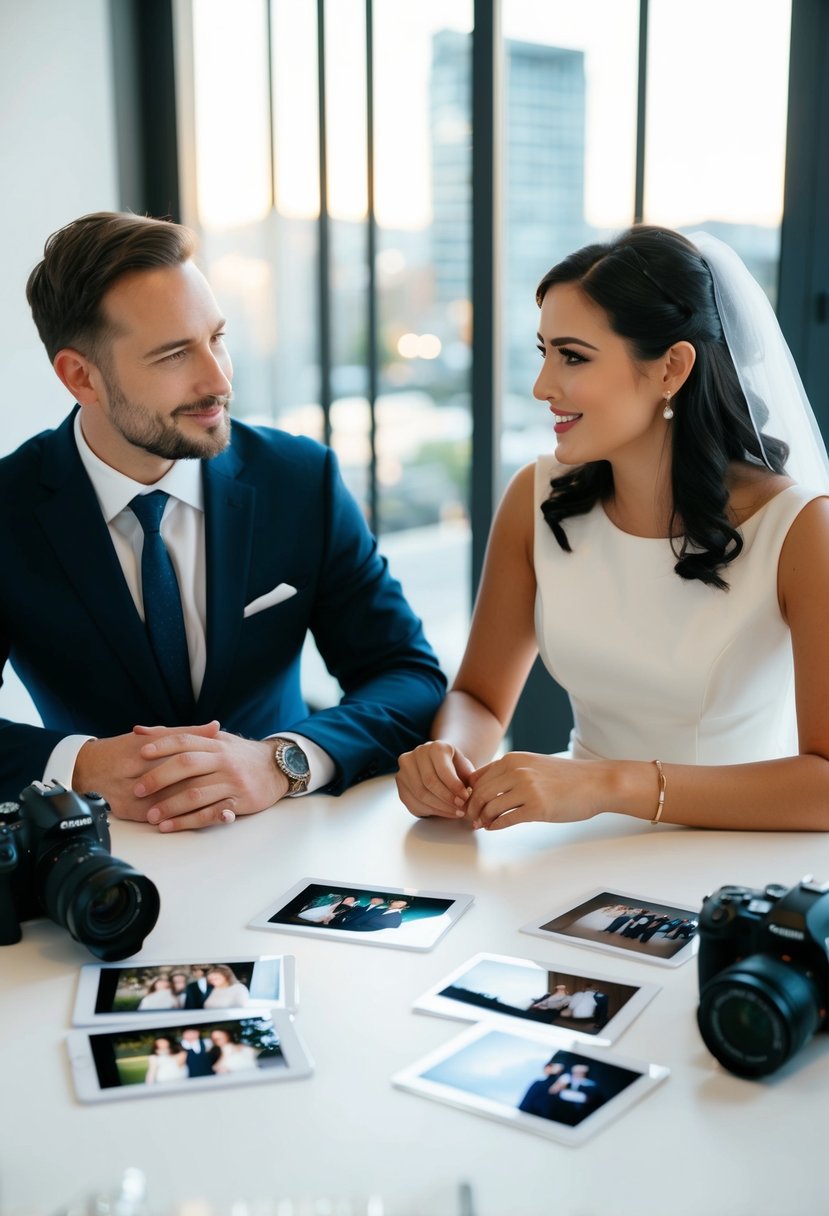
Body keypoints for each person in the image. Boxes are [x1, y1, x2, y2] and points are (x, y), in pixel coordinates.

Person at [1, 211, 446, 827]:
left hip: (285, 841)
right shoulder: (7, 508)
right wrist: (78, 765)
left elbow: (407, 673)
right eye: (174, 354)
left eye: (217, 337)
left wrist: (283, 761)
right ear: (82, 376)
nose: (218, 378)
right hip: (96, 861)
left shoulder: (300, 480)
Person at [397, 226, 829, 832]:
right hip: (573, 848)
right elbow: (480, 699)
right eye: (543, 351)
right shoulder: (534, 496)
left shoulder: (799, 528)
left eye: (572, 356)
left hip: (734, 859)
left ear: (671, 369)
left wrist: (609, 784)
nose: (542, 386)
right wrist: (450, 759)